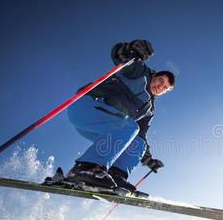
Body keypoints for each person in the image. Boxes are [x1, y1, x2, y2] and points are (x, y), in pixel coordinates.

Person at [66, 40, 175, 193]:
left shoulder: (149, 109)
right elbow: (121, 57)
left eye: (165, 88)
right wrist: (131, 50)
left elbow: (141, 136)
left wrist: (149, 160)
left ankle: (116, 175)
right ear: (154, 75)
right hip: (86, 106)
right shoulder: (140, 73)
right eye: (160, 81)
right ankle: (85, 168)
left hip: (104, 128)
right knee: (129, 126)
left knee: (138, 143)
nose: (159, 87)